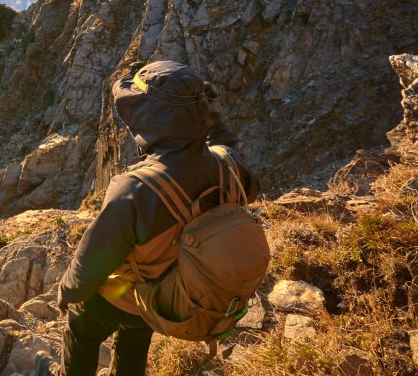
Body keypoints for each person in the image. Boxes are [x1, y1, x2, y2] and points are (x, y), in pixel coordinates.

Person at [41, 61, 260, 376]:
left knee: (81, 327)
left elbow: (91, 262)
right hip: (169, 295)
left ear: (150, 120)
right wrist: (210, 123)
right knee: (136, 330)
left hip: (132, 297)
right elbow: (247, 184)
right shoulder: (228, 164)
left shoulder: (135, 189)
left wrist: (68, 294)